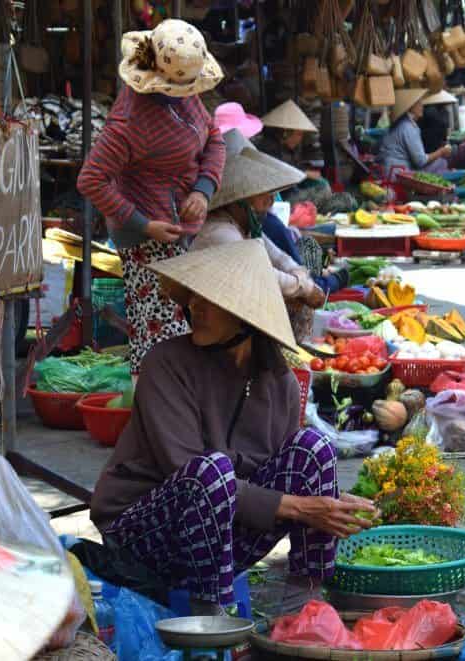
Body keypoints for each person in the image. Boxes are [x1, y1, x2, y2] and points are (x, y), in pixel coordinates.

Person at [90, 240, 377, 614]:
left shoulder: (281, 383)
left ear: (245, 316)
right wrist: (303, 508)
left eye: (209, 299)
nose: (194, 306)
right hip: (140, 536)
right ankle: (211, 622)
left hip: (221, 531)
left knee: (314, 450)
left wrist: (330, 502)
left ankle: (302, 608)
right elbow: (187, 472)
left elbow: (280, 476)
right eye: (193, 297)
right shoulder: (167, 363)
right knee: (212, 471)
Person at [77, 19, 225, 377]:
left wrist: (203, 190)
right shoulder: (128, 124)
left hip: (182, 229)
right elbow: (91, 180)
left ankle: (173, 411)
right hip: (148, 241)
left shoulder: (186, 96)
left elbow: (214, 138)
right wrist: (144, 225)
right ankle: (155, 414)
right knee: (160, 335)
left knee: (184, 328)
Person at [191, 130, 326, 341]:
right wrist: (305, 287)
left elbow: (278, 257)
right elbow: (262, 275)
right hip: (214, 327)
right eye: (262, 191)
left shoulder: (244, 226)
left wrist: (300, 275)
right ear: (239, 195)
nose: (271, 200)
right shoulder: (219, 231)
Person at [377, 89, 452, 176]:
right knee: (441, 162)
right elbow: (421, 161)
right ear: (411, 107)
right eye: (419, 103)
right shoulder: (409, 127)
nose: (422, 106)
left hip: (389, 168)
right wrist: (441, 152)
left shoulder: (400, 122)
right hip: (397, 173)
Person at [418, 90, 465, 171]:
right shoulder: (436, 114)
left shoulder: (427, 112)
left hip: (432, 152)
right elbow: (443, 138)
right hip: (434, 156)